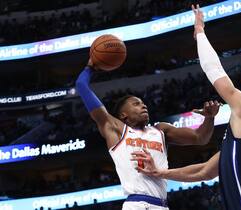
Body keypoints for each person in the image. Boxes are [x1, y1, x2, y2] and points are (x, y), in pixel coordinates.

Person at [131, 4, 241, 210]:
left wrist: (200, 31)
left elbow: (214, 70)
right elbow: (204, 172)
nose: (238, 92)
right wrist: (161, 173)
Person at [75, 59, 220, 210]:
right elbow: (81, 86)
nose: (143, 105)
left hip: (162, 205)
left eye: (143, 103)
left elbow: (201, 138)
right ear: (124, 115)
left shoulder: (161, 130)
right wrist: (90, 67)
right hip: (137, 204)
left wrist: (209, 118)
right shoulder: (117, 130)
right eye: (136, 104)